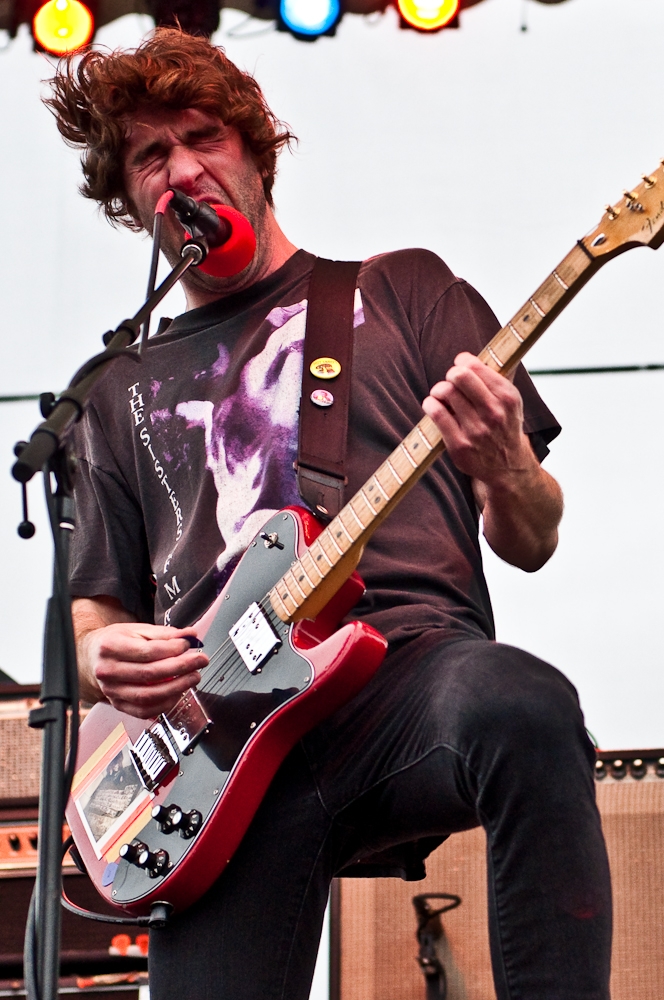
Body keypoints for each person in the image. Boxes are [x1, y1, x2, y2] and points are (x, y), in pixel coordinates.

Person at [48, 28, 611, 1000]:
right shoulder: (114, 390)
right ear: (127, 196)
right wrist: (104, 656)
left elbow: (532, 537)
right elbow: (95, 613)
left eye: (204, 137)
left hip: (404, 680)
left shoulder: (401, 291)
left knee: (523, 704)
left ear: (257, 150)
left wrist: (506, 461)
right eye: (150, 155)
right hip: (211, 747)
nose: (184, 169)